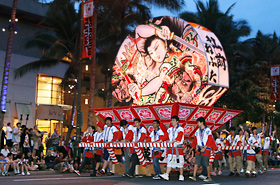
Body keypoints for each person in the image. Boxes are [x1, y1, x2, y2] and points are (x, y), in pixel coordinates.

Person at [189, 117, 217, 182]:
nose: (197, 124)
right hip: (199, 147)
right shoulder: (197, 131)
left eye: (198, 122)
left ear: (202, 122)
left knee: (206, 163)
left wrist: (205, 147)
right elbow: (195, 139)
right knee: (196, 162)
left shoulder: (208, 130)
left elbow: (210, 139)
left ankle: (209, 177)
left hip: (206, 148)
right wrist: (195, 147)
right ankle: (194, 176)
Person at [160, 116, 184, 181]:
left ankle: (181, 175)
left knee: (180, 162)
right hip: (171, 148)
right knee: (169, 161)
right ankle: (167, 175)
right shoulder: (170, 129)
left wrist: (174, 141)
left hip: (178, 148)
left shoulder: (180, 129)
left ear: (177, 121)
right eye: (171, 120)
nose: (172, 122)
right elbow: (165, 136)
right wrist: (161, 140)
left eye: (173, 120)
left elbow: (179, 136)